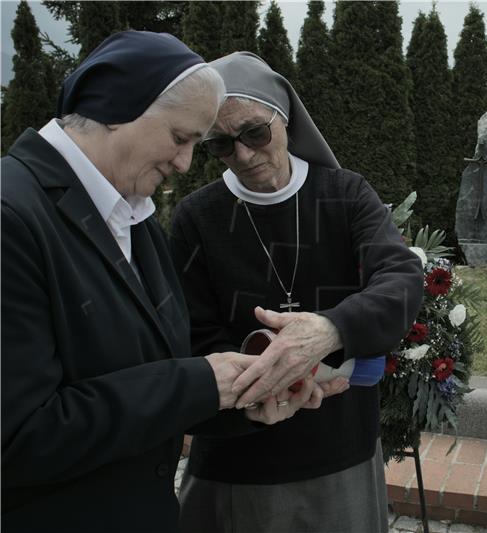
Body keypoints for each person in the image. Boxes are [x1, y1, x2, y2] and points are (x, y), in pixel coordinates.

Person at [1, 32, 320, 533]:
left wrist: (242, 397)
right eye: (181, 137)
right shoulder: (11, 217)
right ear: (116, 108)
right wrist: (199, 382)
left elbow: (148, 379)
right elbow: (19, 439)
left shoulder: (133, 214)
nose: (185, 164)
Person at [170, 51, 424, 533]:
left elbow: (400, 278)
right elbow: (188, 334)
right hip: (237, 455)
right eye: (221, 144)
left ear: (283, 117)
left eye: (254, 133)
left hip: (338, 447)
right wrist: (268, 378)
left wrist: (330, 329)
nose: (243, 155)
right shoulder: (195, 217)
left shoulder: (346, 195)